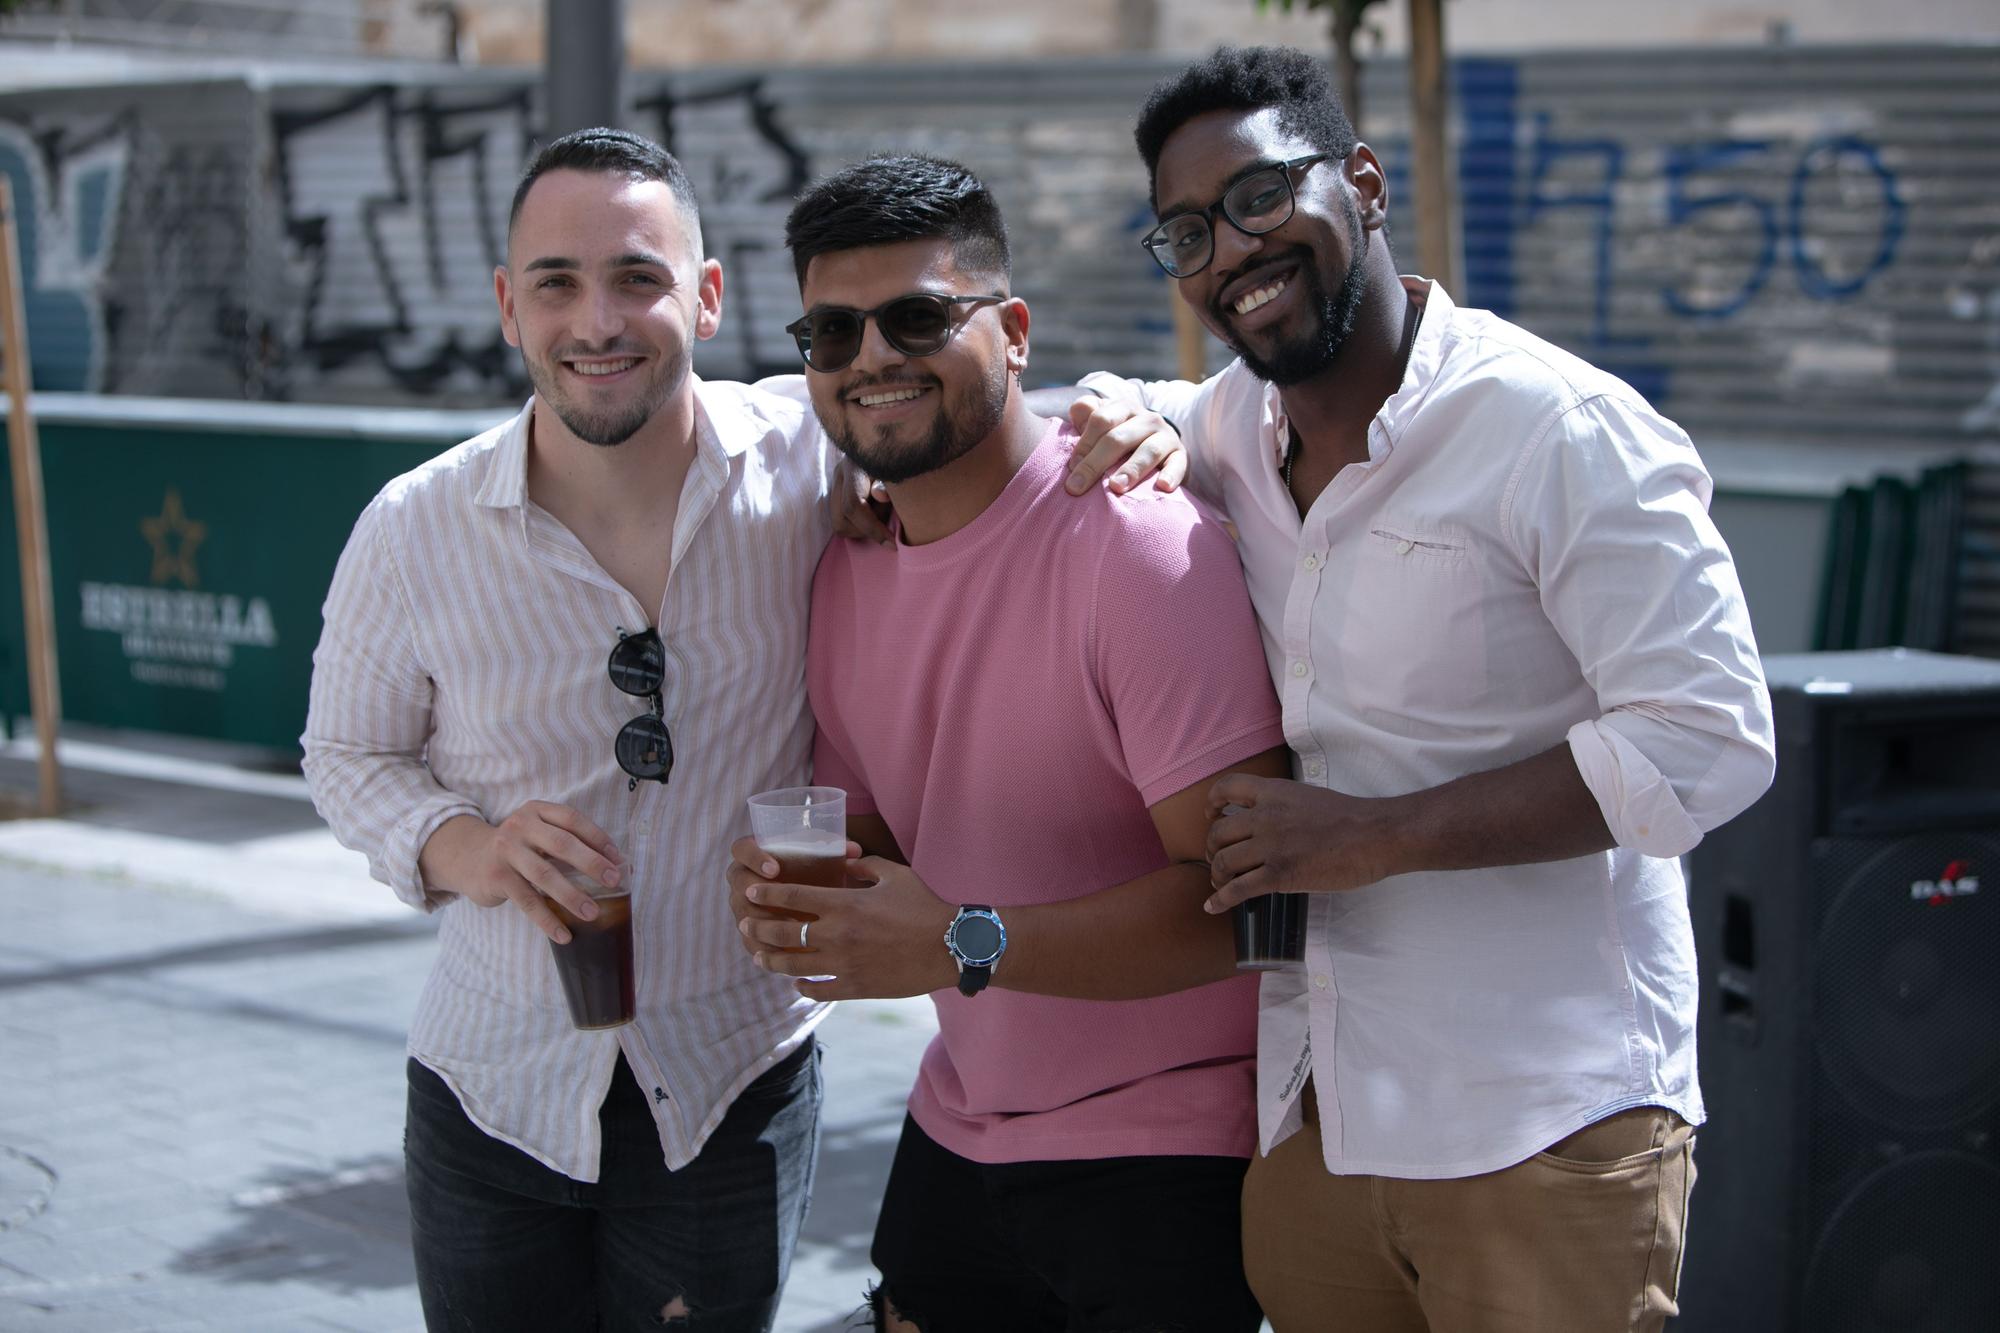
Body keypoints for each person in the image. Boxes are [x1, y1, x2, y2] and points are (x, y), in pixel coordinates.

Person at [300, 128, 1177, 1333]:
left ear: (706, 298)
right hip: (489, 1086)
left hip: (730, 1084)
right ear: (509, 307)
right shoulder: (413, 526)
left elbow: (987, 400)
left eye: (637, 277)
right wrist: (472, 850)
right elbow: (348, 757)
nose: (595, 319)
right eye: (555, 282)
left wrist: (1139, 412)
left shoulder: (812, 453)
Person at [1074, 46, 1777, 1333]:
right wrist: (1122, 411)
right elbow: (1128, 399)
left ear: (1362, 182)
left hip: (1542, 1119)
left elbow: (1707, 737)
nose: (1230, 251)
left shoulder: (1556, 428)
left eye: (1257, 199)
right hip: (1316, 1116)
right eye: (1185, 232)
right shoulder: (1234, 424)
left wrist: (1376, 837)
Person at [726, 153, 1290, 1332]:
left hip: (1172, 1151)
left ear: (1015, 331)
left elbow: (1252, 908)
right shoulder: (847, 565)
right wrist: (808, 895)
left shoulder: (1132, 545)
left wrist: (956, 940)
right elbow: (886, 837)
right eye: (832, 333)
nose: (871, 356)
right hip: (957, 1126)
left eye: (918, 317)